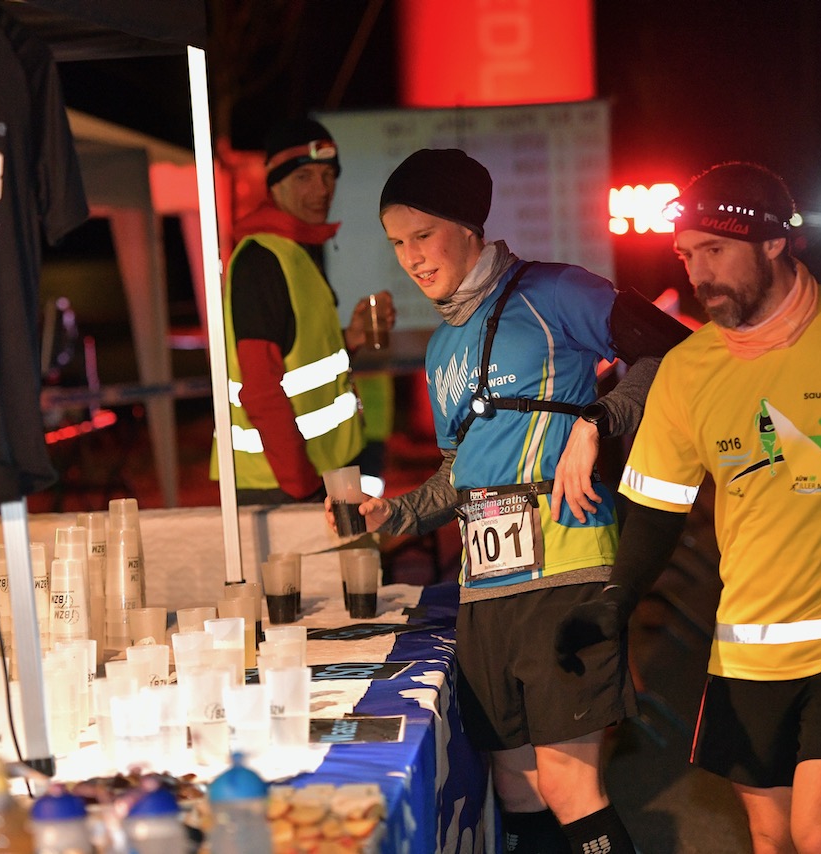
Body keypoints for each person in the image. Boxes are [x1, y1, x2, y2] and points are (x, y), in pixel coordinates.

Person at [556, 161, 821, 854]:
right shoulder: (690, 369)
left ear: (775, 243)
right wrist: (616, 597)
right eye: (687, 255)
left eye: (715, 251)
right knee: (772, 835)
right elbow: (659, 510)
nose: (699, 273)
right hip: (748, 645)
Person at [329, 148, 690, 853]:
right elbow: (457, 477)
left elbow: (677, 353)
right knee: (515, 788)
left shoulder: (555, 291)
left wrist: (597, 421)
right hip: (486, 587)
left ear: (469, 227)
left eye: (424, 235)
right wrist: (390, 517)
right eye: (397, 243)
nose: (411, 258)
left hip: (567, 566)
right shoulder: (440, 348)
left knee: (568, 786)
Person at [212, 117, 395, 504]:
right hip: (283, 485)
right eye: (304, 177)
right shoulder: (262, 259)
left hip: (325, 473)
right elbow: (260, 389)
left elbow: (303, 365)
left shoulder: (294, 249)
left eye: (329, 176)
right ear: (275, 183)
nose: (321, 190)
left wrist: (351, 339)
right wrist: (303, 486)